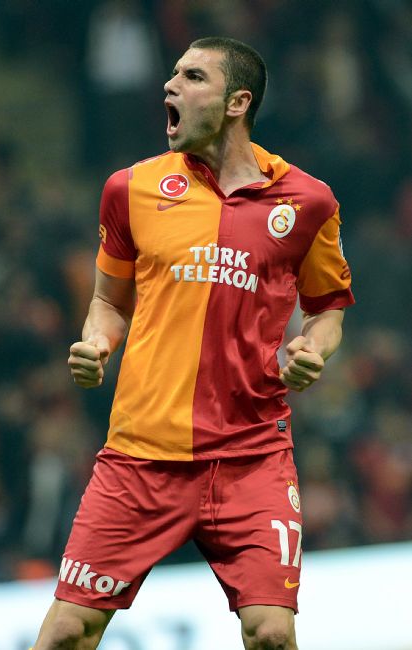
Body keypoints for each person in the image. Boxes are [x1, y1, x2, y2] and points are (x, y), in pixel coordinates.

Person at [32, 36, 354, 650]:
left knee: (271, 634)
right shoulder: (130, 188)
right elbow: (108, 302)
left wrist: (314, 350)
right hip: (140, 457)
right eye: (174, 73)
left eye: (193, 76)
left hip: (251, 459)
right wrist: (96, 343)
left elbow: (327, 310)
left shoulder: (308, 202)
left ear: (237, 102)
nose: (170, 85)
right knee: (68, 632)